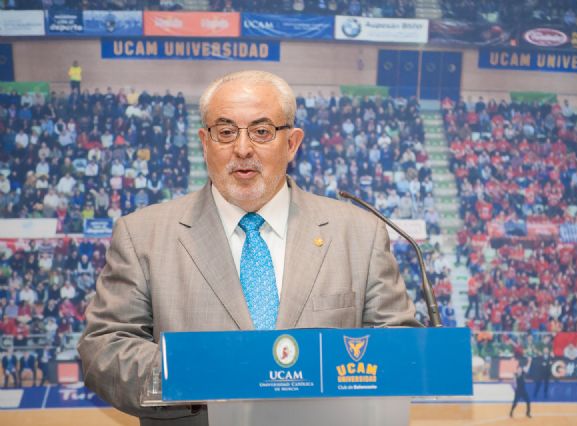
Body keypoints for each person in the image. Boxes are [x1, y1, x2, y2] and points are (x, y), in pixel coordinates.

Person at [78, 70, 420, 425]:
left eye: (262, 131)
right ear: (205, 142)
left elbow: (401, 345)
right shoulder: (142, 235)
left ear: (292, 143)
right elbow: (104, 349)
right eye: (226, 132)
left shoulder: (359, 233)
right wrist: (198, 372)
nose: (242, 149)